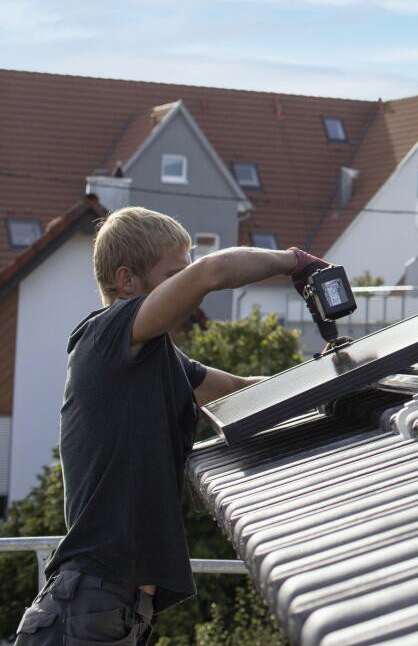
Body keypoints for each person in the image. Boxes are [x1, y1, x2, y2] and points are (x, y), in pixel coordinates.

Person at [12, 207, 327, 645]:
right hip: (88, 604)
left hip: (118, 608)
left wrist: (329, 379)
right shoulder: (106, 334)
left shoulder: (157, 356)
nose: (187, 289)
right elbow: (212, 272)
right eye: (174, 276)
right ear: (126, 281)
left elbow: (237, 391)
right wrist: (295, 261)